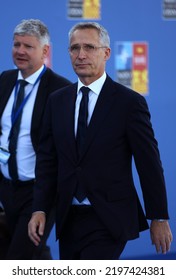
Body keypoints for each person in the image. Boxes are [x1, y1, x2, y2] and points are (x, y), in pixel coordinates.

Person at [28, 22, 172, 260]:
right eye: (74, 48)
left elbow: (149, 163)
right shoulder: (57, 101)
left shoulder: (128, 103)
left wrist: (158, 217)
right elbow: (47, 160)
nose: (81, 55)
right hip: (68, 219)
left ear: (106, 53)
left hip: (110, 219)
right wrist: (40, 208)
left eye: (89, 47)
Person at [0, 19, 71, 260]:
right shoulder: (5, 80)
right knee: (27, 255)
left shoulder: (60, 90)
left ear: (45, 51)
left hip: (38, 193)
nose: (20, 51)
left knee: (17, 260)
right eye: (16, 44)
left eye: (28, 46)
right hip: (6, 188)